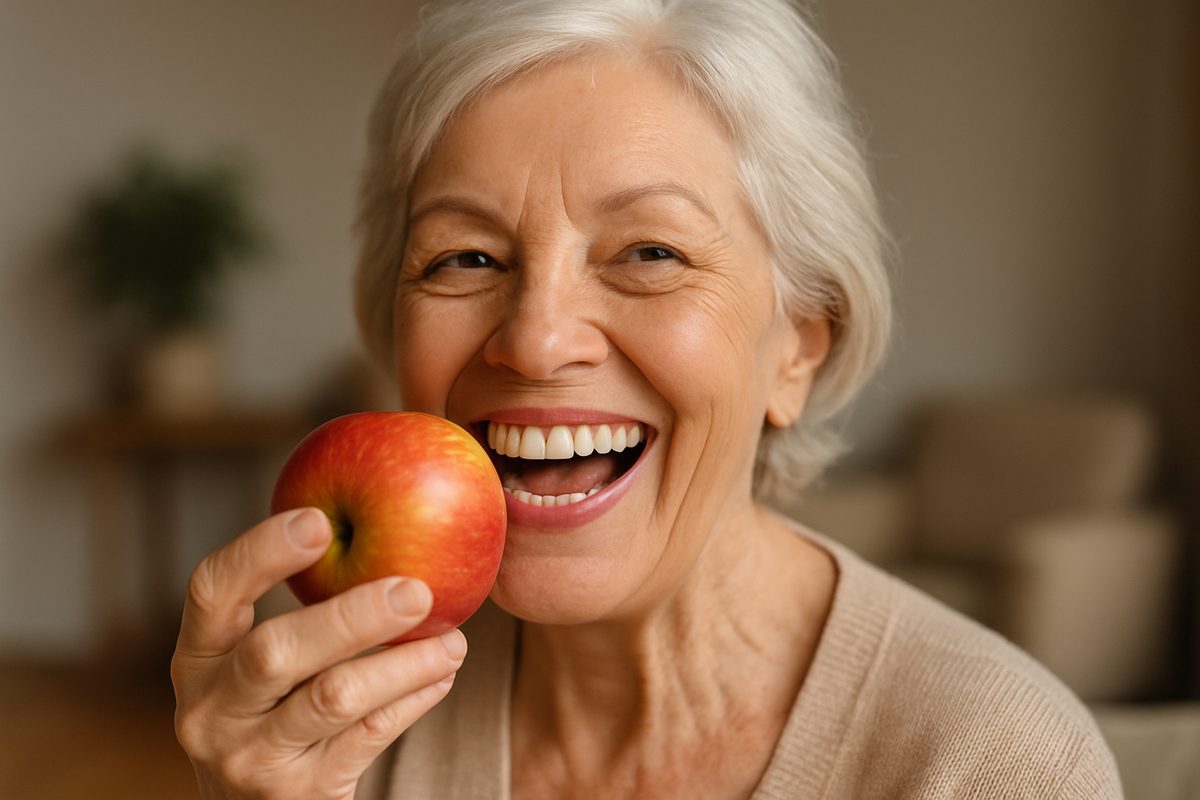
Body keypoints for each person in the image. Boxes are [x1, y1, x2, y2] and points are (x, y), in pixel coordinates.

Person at [170, 0, 1123, 797]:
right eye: (466, 258)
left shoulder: (998, 763)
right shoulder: (330, 727)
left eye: (649, 253)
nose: (535, 339)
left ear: (797, 347)